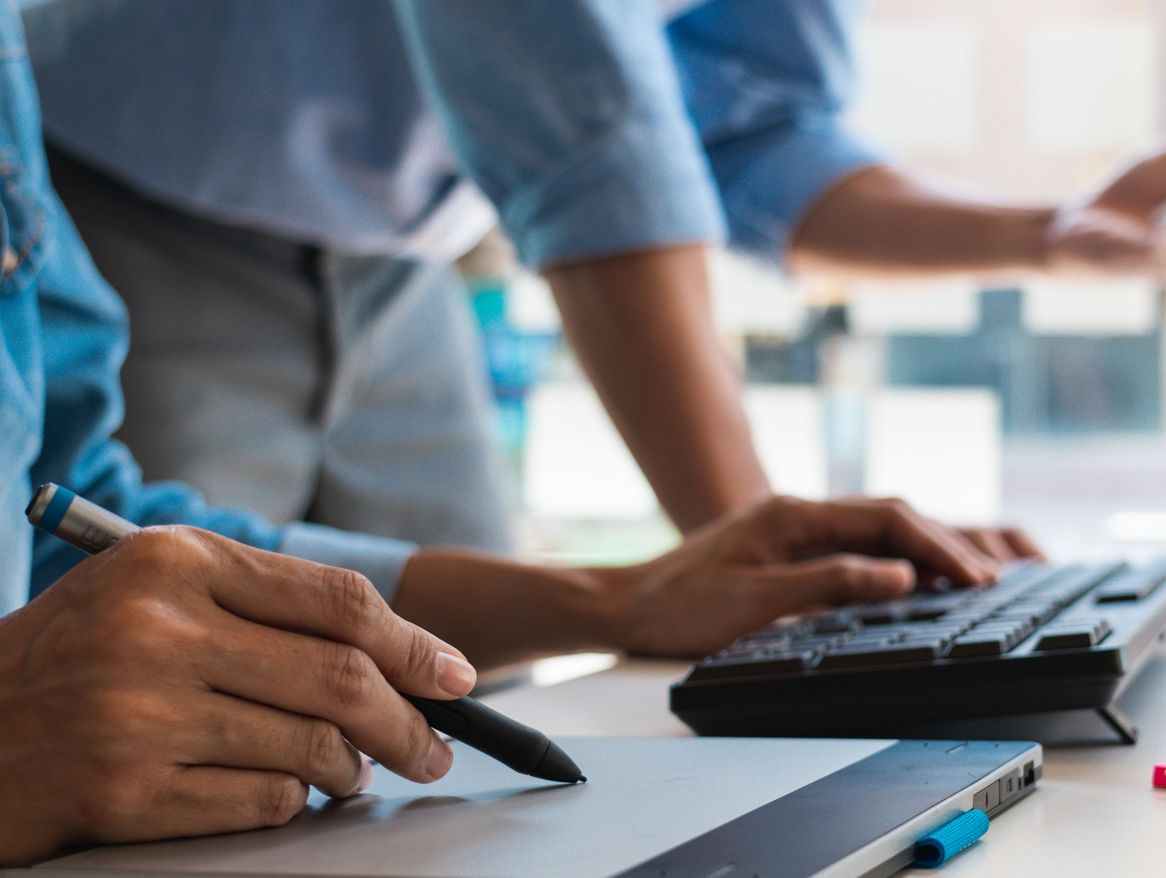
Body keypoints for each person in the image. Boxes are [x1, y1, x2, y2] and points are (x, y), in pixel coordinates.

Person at [0, 4, 1009, 864]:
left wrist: (619, 598)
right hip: (163, 192)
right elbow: (593, 147)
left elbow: (72, 515)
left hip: (397, 246)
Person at [24, 0, 1154, 561]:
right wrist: (769, 561)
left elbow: (758, 137)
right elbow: (592, 150)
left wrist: (1051, 235)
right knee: (169, 702)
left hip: (401, 262)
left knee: (456, 709)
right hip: (135, 212)